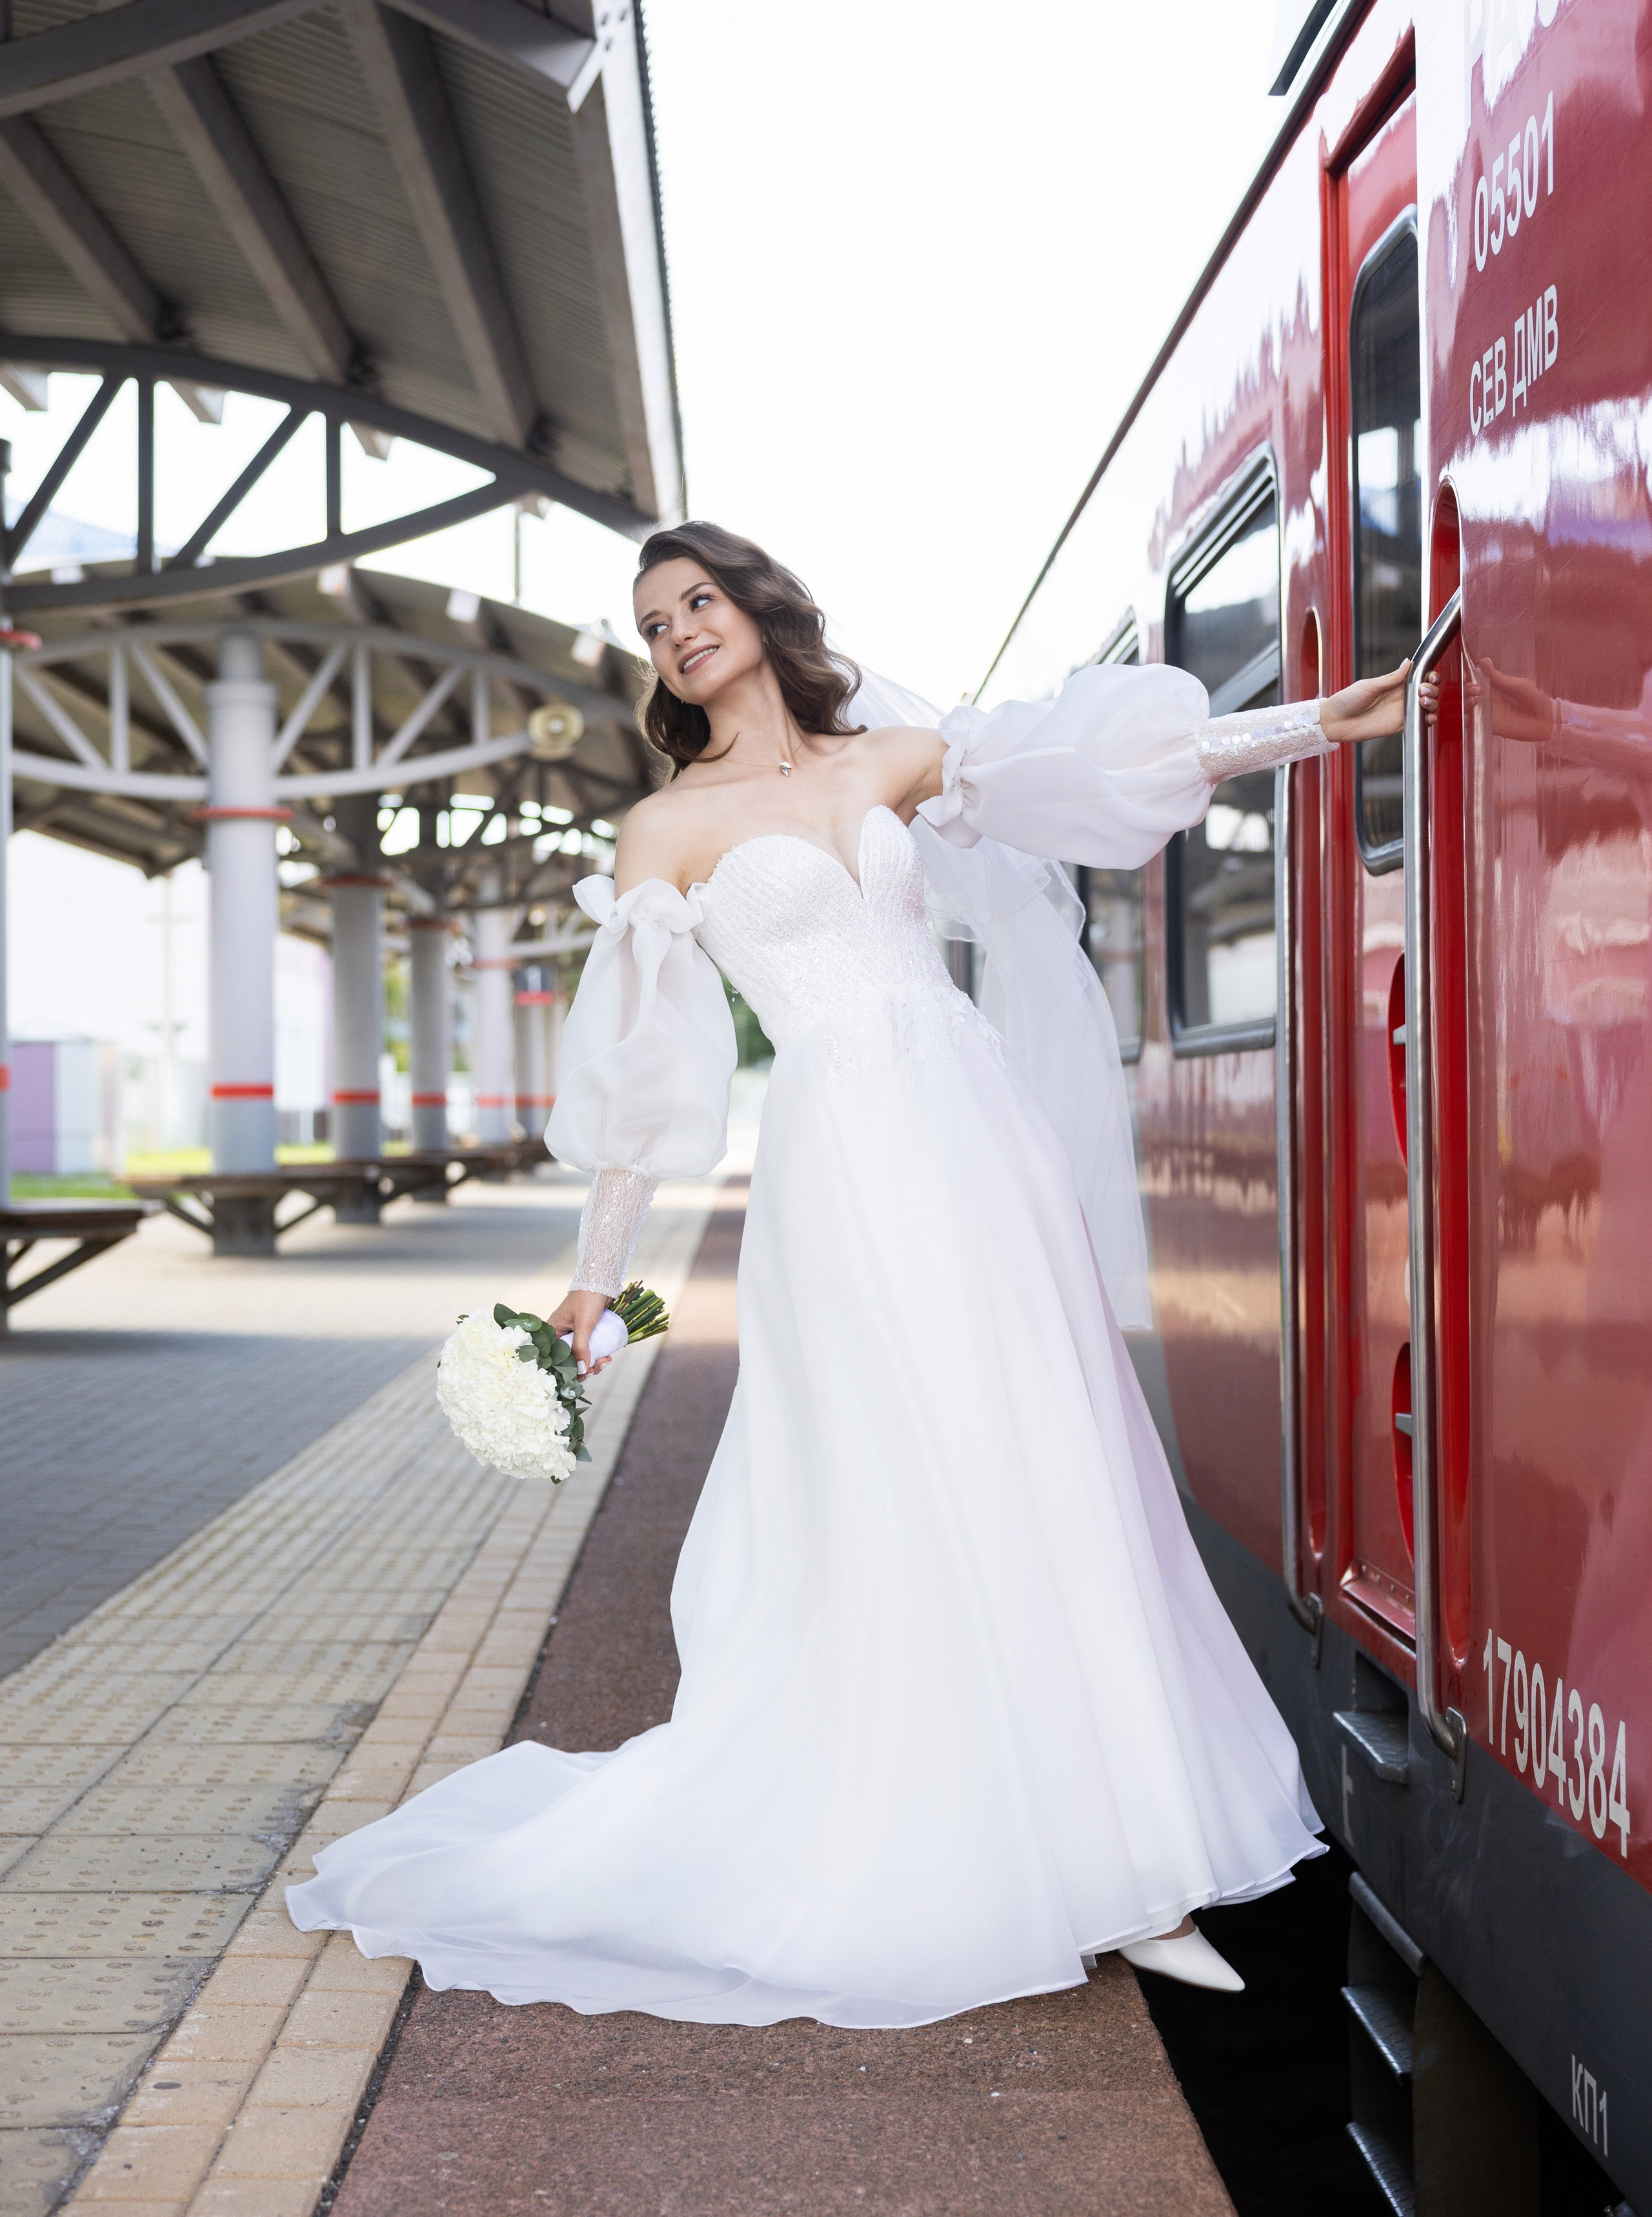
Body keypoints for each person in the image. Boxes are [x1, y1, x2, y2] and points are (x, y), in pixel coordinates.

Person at [289, 521, 1429, 2023]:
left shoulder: (886, 758)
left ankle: (1132, 1872)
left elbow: (1071, 773)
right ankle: (982, 1848)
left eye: (697, 601)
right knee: (911, 1476)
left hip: (978, 1137)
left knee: (1047, 1459)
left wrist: (1310, 725)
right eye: (653, 623)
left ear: (756, 612)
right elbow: (640, 1086)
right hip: (843, 1168)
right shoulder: (663, 832)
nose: (679, 630)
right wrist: (594, 1278)